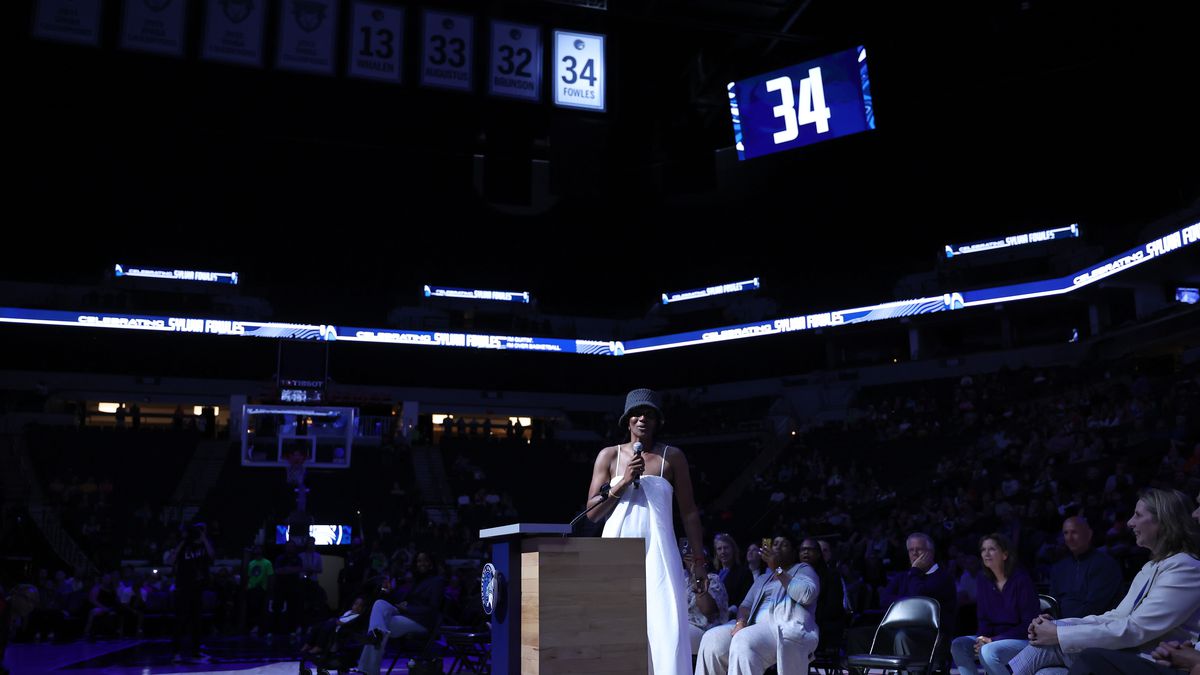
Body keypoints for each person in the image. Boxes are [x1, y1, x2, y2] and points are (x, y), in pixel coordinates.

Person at [1008, 488, 1200, 674]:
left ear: (1163, 521)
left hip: (1150, 661)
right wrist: (1057, 626)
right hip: (1128, 652)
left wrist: (1057, 634)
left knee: (1047, 648)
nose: (1130, 523)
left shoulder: (1185, 567)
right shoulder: (1152, 567)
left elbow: (1136, 628)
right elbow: (1116, 616)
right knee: (1048, 672)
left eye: (1138, 515)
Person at [585, 388, 705, 675]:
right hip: (616, 551)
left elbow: (689, 512)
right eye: (637, 414)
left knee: (667, 630)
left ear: (657, 421)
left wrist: (699, 562)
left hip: (660, 554)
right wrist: (624, 481)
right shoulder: (609, 456)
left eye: (649, 415)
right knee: (616, 628)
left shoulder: (672, 457)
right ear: (627, 420)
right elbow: (591, 513)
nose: (642, 419)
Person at [696, 534, 821, 675]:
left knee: (744, 639)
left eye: (784, 544)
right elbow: (745, 605)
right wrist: (740, 623)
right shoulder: (763, 578)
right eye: (775, 544)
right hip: (752, 626)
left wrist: (778, 570)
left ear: (793, 553)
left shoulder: (803, 569)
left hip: (783, 628)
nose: (778, 547)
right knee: (712, 638)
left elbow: (806, 595)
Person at [950, 533, 1039, 675]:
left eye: (992, 549)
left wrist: (992, 640)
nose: (986, 553)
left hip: (1021, 640)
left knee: (988, 651)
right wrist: (982, 638)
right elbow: (983, 619)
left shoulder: (1021, 580)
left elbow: (1028, 625)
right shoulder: (982, 580)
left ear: (1005, 554)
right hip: (992, 640)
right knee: (958, 644)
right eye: (983, 550)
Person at [356, 552, 445, 675]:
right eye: (419, 561)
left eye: (425, 560)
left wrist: (406, 609)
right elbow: (403, 601)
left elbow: (433, 608)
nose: (421, 563)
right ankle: (375, 636)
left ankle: (368, 670)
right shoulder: (416, 581)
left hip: (422, 621)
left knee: (379, 627)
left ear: (431, 564)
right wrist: (390, 593)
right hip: (406, 615)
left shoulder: (437, 581)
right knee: (380, 603)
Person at [1050, 516, 1123, 619]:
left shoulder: (1106, 564)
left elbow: (1095, 608)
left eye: (1074, 532)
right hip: (1060, 626)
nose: (1069, 538)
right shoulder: (1059, 568)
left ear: (1089, 534)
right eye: (1066, 533)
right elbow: (1053, 603)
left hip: (1095, 628)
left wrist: (1062, 626)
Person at [167, 521, 214, 663]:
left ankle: (195, 652)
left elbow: (212, 556)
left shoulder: (203, 546)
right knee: (180, 621)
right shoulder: (183, 545)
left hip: (197, 589)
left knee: (196, 622)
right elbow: (170, 561)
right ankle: (176, 652)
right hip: (183, 588)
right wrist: (183, 540)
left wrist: (204, 538)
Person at [714, 534, 753, 609]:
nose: (723, 551)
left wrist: (732, 609)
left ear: (733, 550)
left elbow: (747, 599)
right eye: (719, 549)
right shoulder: (713, 574)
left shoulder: (744, 573)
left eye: (726, 548)